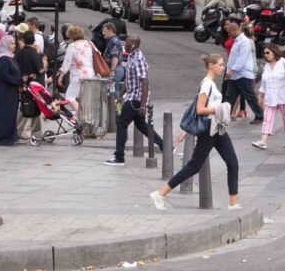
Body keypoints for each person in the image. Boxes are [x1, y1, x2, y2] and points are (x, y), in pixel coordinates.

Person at [151, 54, 240, 210]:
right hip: (208, 131)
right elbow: (199, 109)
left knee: (233, 163)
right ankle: (160, 193)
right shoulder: (207, 84)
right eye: (220, 64)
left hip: (218, 129)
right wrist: (219, 108)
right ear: (211, 65)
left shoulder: (211, 84)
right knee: (194, 166)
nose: (222, 67)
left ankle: (234, 203)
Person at [106, 35, 163, 165]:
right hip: (131, 96)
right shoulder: (131, 56)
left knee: (121, 123)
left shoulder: (139, 60)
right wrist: (121, 96)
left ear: (133, 44)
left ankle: (119, 156)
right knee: (141, 125)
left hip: (136, 99)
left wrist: (143, 105)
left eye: (126, 43)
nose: (124, 45)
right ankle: (165, 146)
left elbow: (145, 82)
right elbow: (129, 80)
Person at [252, 43, 285, 150]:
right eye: (264, 53)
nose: (266, 55)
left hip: (284, 97)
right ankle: (263, 141)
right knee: (267, 119)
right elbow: (264, 83)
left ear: (274, 51)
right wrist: (260, 96)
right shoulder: (266, 66)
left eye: (268, 52)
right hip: (270, 98)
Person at [224, 20, 263, 124]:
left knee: (249, 96)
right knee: (229, 96)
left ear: (234, 30)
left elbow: (241, 59)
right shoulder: (237, 41)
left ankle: (260, 115)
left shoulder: (245, 42)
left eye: (229, 32)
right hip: (235, 76)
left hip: (242, 75)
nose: (228, 34)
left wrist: (231, 71)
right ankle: (223, 115)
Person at [59, 25, 94, 116]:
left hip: (79, 74)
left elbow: (67, 62)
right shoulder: (89, 43)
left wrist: (61, 76)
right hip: (90, 74)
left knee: (69, 96)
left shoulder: (73, 46)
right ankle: (86, 117)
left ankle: (82, 115)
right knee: (85, 98)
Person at [16, 30, 44, 143]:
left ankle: (18, 130)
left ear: (23, 40)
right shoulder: (34, 53)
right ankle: (36, 132)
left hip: (23, 84)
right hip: (34, 85)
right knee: (36, 108)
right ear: (33, 40)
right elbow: (40, 70)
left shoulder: (19, 53)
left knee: (23, 106)